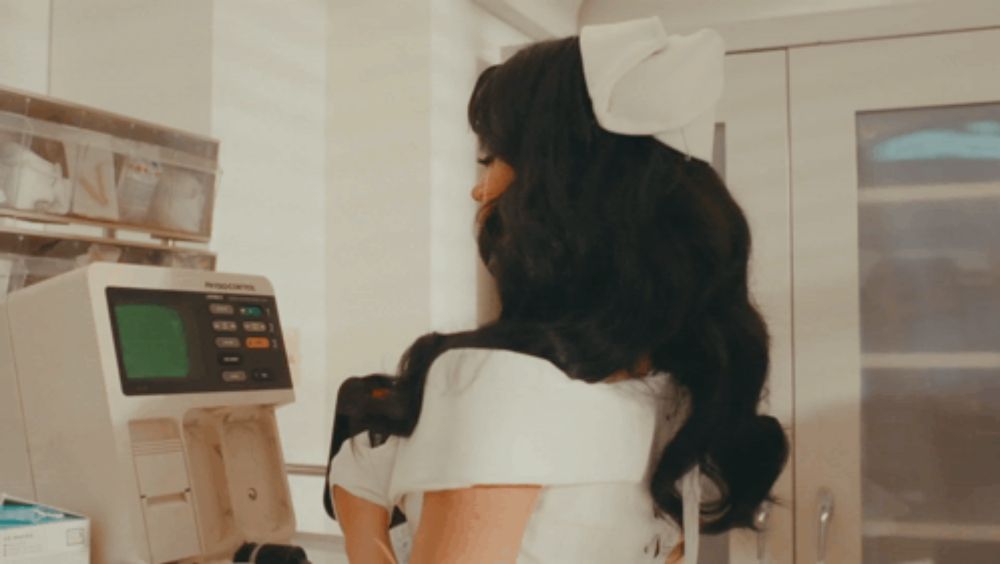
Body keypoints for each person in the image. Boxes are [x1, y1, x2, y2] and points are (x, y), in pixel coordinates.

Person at [325, 16, 789, 564]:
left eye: (492, 157)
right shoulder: (675, 390)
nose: (480, 188)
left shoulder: (498, 382)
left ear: (562, 190)